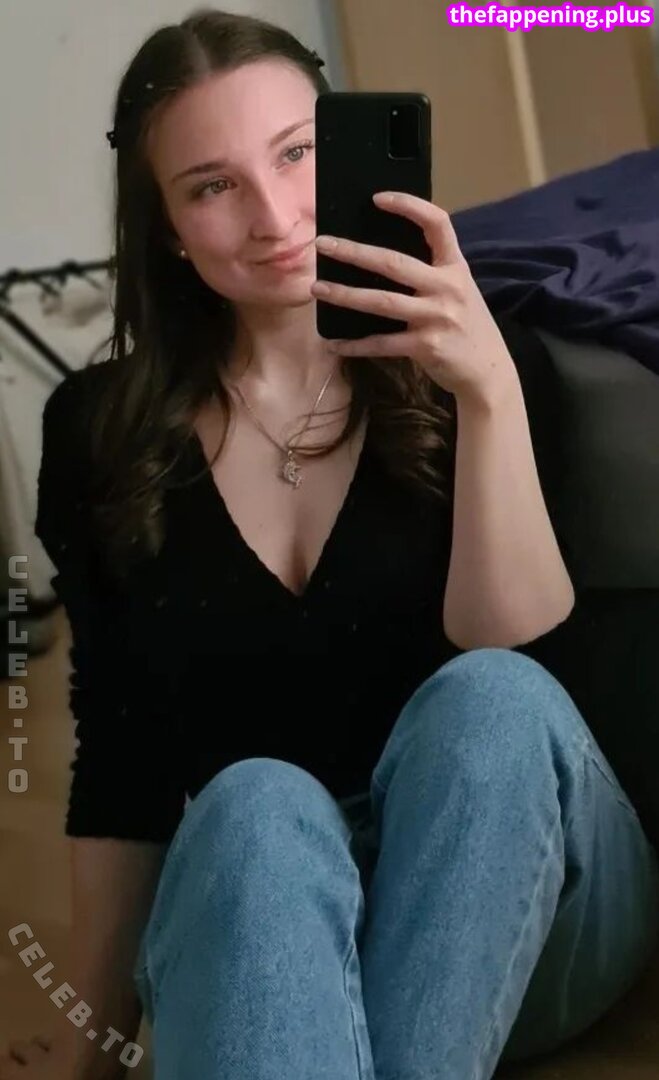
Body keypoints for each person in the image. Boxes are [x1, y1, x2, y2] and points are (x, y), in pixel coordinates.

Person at [3, 7, 657, 1080]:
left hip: (528, 907)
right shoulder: (97, 431)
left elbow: (513, 643)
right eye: (212, 185)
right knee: (253, 802)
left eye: (296, 154)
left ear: (344, 148)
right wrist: (89, 1051)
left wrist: (486, 394)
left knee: (493, 699)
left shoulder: (479, 363)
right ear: (165, 226)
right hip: (277, 928)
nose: (273, 216)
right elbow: (119, 756)